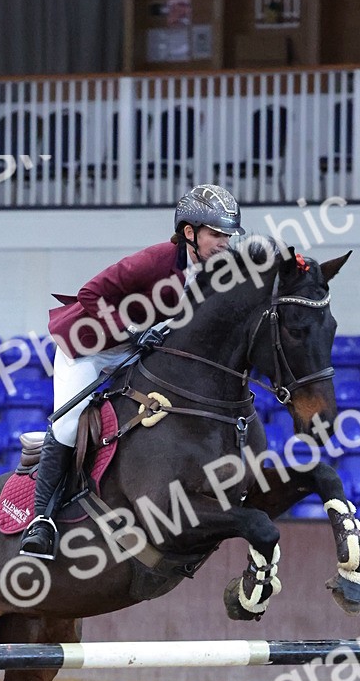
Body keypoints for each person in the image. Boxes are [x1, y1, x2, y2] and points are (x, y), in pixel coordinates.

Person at [19, 184, 244, 559]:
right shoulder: (156, 260)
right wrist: (133, 331)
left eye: (228, 236)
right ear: (190, 233)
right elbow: (90, 294)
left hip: (140, 352)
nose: (225, 242)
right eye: (217, 234)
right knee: (69, 425)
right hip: (90, 348)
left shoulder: (219, 270)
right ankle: (41, 520)